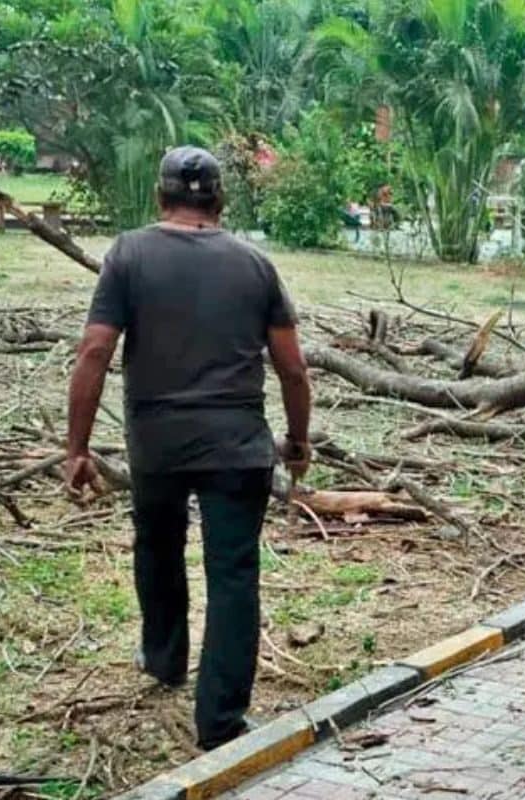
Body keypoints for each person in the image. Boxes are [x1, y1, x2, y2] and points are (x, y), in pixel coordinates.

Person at [64, 146, 312, 750]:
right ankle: (221, 722)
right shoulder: (255, 265)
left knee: (158, 547)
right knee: (233, 575)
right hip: (237, 444)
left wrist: (77, 447)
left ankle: (164, 657)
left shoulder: (128, 254)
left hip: (158, 443)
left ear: (161, 196)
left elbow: (94, 351)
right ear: (220, 200)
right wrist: (298, 441)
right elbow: (293, 370)